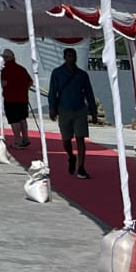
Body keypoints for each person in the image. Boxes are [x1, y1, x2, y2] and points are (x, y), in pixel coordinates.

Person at [48, 47, 99, 178]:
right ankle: (71, 156)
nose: (72, 58)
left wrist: (93, 112)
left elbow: (89, 93)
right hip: (64, 109)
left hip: (80, 109)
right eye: (69, 56)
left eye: (73, 56)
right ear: (64, 57)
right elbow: (52, 92)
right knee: (66, 140)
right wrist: (52, 108)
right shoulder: (57, 73)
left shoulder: (82, 75)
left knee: (80, 139)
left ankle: (81, 167)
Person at [0, 49, 33, 148]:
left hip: (11, 99)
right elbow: (30, 82)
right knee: (22, 118)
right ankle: (25, 139)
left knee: (14, 120)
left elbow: (4, 83)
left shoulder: (6, 70)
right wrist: (23, 89)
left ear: (6, 58)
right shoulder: (21, 69)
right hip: (23, 98)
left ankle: (17, 142)